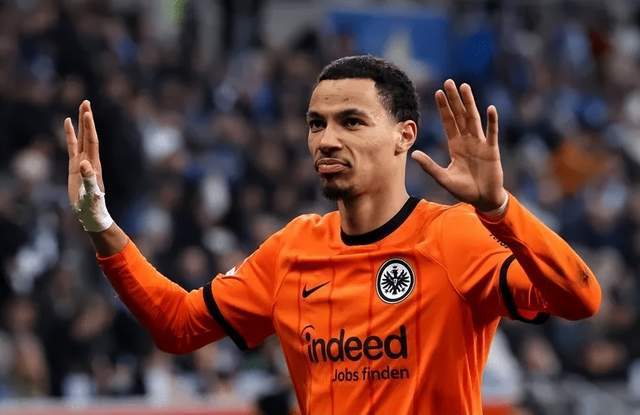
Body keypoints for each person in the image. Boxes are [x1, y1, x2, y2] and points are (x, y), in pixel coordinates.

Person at [63, 55, 601, 414]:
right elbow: (178, 326)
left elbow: (580, 298)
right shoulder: (292, 250)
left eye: (351, 121)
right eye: (316, 123)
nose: (326, 139)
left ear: (404, 136)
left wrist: (500, 210)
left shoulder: (455, 237)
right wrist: (99, 222)